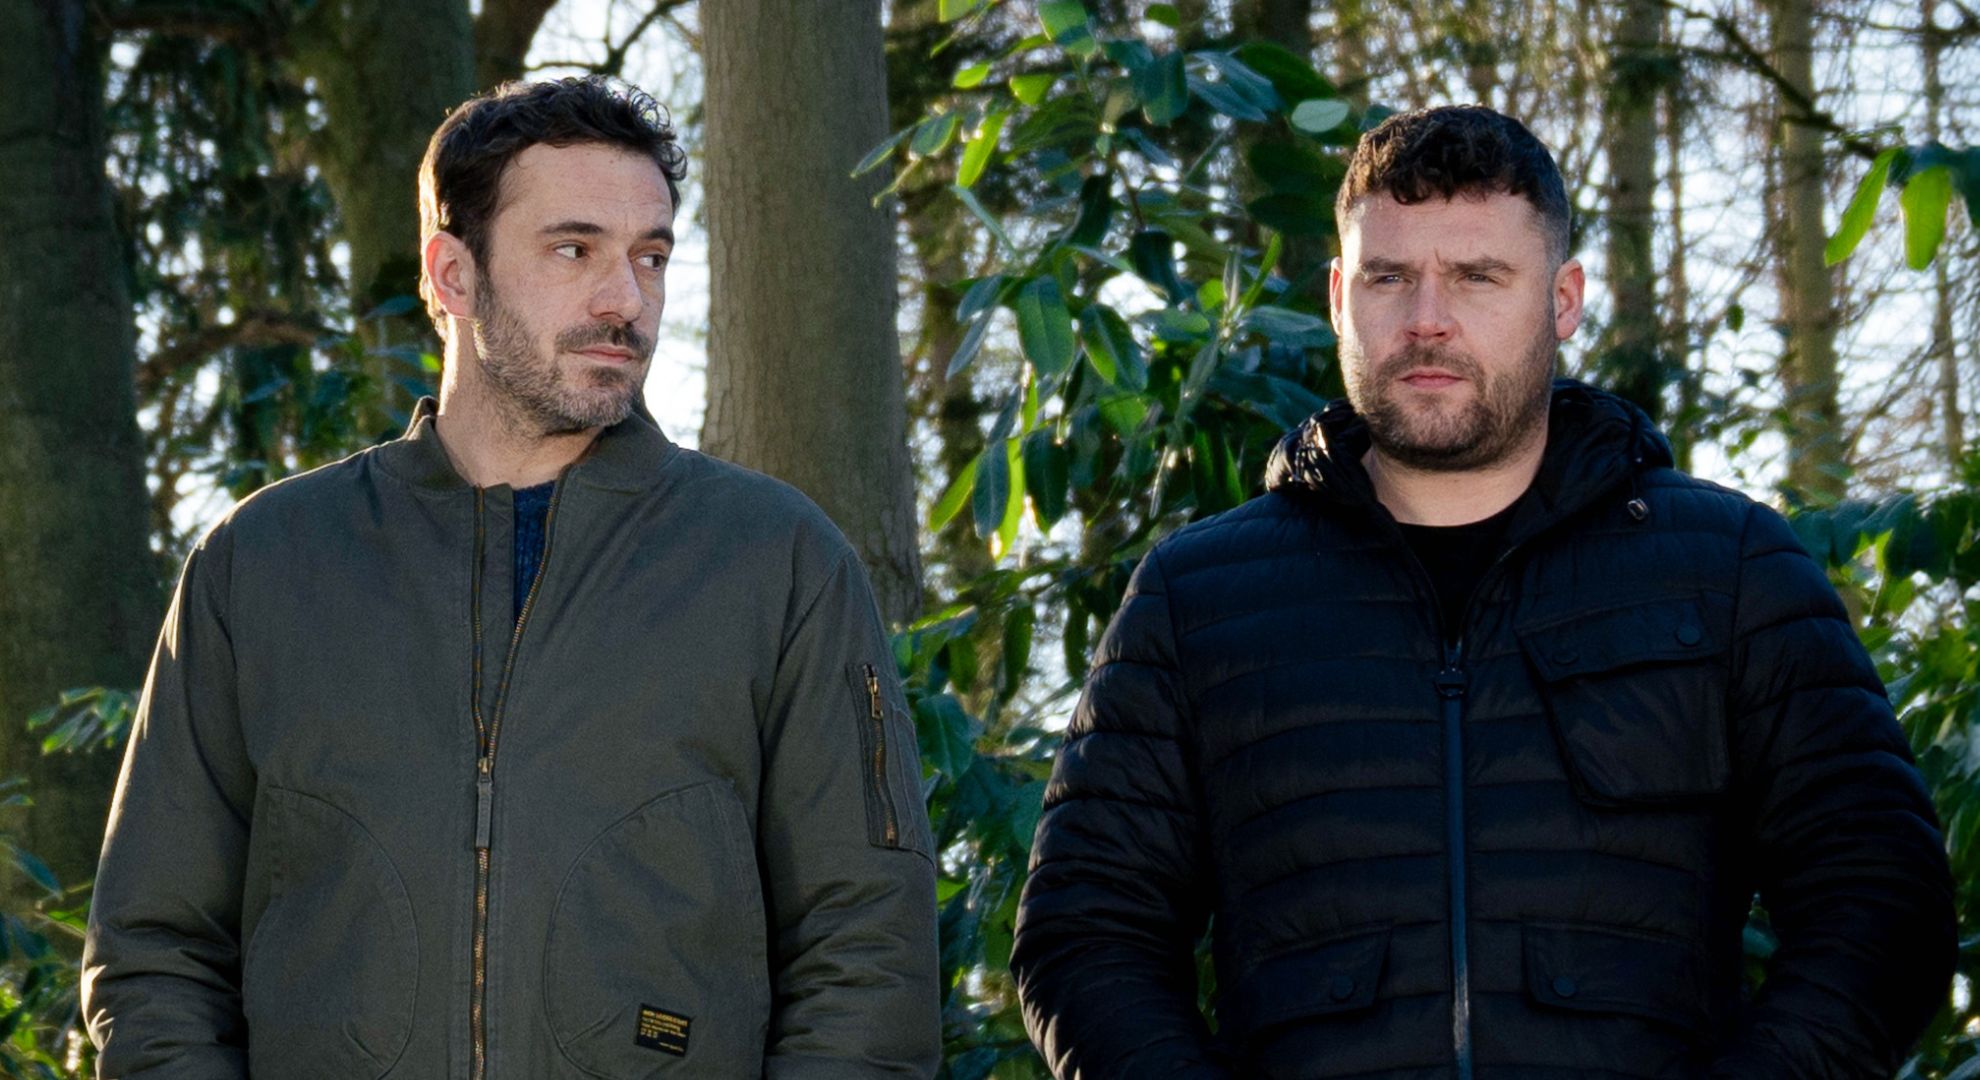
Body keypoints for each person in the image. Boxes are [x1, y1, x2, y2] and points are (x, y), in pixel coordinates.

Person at [1010, 105, 1954, 1079]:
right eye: (1389, 277)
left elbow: (1882, 901)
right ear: (1339, 296)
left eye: (1476, 276)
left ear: (1564, 299)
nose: (1427, 318)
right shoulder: (1199, 598)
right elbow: (1087, 935)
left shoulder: (1729, 567)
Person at [83, 76, 940, 1080]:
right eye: (574, 249)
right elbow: (156, 953)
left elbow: (866, 959)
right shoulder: (263, 566)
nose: (625, 299)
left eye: (650, 256)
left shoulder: (774, 562)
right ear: (453, 274)